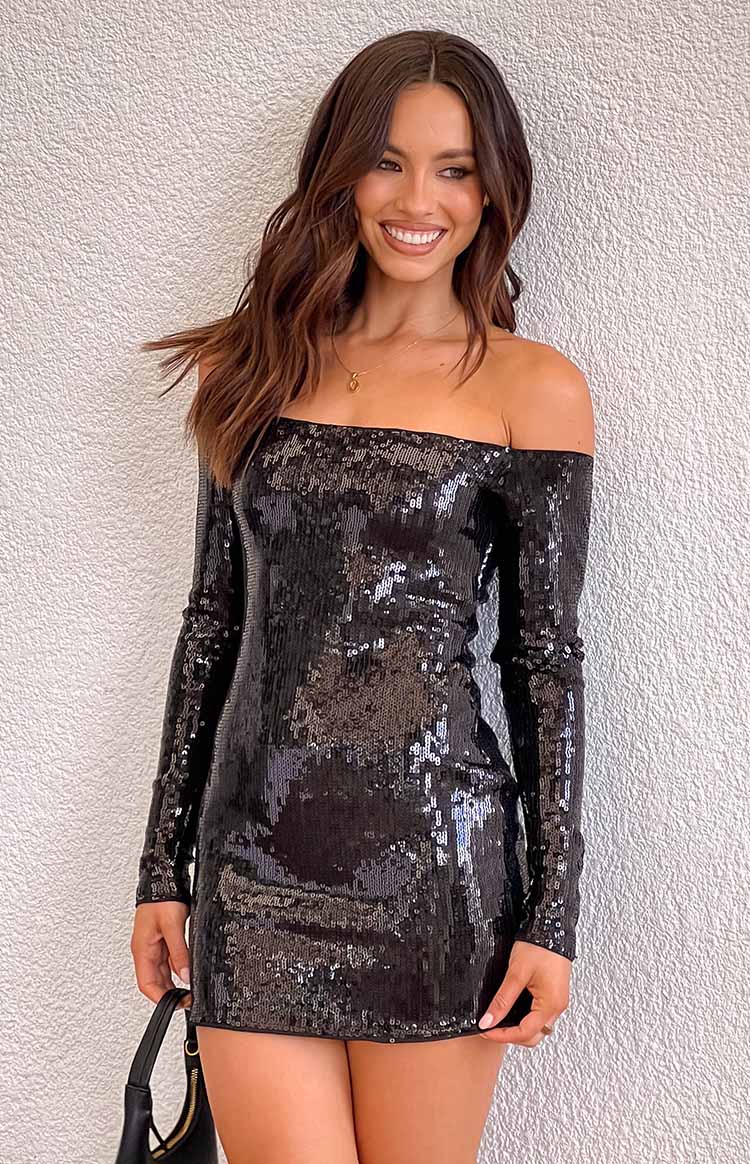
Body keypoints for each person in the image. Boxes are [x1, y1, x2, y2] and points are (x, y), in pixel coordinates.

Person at [130, 28, 596, 1164]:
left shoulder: (532, 387)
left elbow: (544, 662)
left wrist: (553, 912)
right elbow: (213, 625)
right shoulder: (251, 367)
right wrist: (160, 869)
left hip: (438, 873)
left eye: (454, 168)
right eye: (388, 162)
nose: (418, 200)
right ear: (341, 170)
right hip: (253, 872)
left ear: (492, 190)